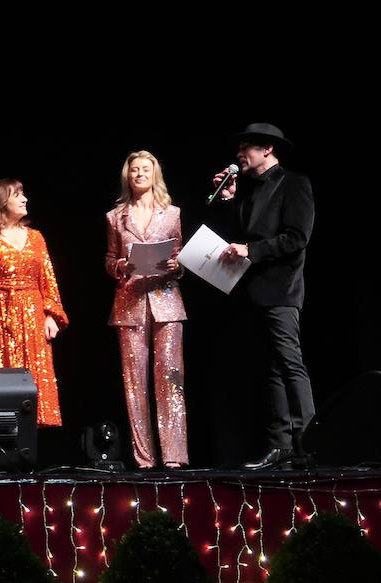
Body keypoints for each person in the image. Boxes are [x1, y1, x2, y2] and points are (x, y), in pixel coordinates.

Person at [211, 123, 315, 469]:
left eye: (247, 148)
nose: (241, 154)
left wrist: (251, 250)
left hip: (281, 289)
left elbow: (296, 238)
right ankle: (281, 445)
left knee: (290, 363)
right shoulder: (248, 190)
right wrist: (228, 201)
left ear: (267, 149)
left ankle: (309, 442)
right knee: (270, 369)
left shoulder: (294, 183)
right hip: (252, 291)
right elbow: (238, 236)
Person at [0, 179, 67, 426]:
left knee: (34, 376)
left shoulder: (37, 238)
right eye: (18, 195)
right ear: (1, 202)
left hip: (32, 313)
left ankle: (29, 447)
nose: (24, 199)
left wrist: (51, 314)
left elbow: (47, 277)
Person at [104, 150, 187, 469]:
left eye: (145, 169)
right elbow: (109, 259)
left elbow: (180, 257)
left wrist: (175, 265)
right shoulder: (116, 217)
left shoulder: (172, 213)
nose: (139, 174)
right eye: (134, 169)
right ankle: (144, 458)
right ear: (128, 176)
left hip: (166, 301)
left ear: (155, 175)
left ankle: (175, 456)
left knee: (170, 378)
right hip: (130, 302)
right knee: (134, 381)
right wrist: (121, 265)